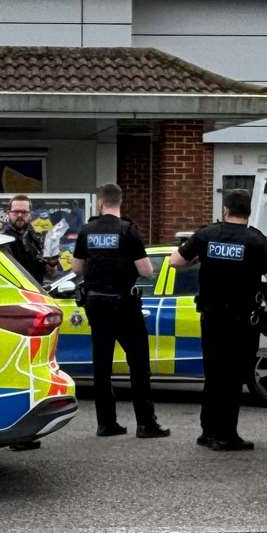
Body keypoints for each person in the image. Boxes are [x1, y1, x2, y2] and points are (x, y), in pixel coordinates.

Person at [170, 189, 267, 451]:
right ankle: (226, 435)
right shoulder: (256, 240)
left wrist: (201, 259)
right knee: (234, 377)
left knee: (214, 374)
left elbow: (175, 261)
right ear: (247, 211)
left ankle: (208, 431)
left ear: (225, 209)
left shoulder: (206, 235)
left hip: (212, 317)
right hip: (240, 320)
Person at [72, 183, 168, 439]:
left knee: (101, 366)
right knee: (138, 365)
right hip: (124, 305)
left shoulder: (87, 230)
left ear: (100, 203)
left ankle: (106, 423)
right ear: (119, 202)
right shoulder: (128, 230)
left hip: (96, 305)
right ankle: (146, 424)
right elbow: (147, 270)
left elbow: (76, 268)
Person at [0, 195, 49, 282]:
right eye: (16, 212)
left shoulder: (37, 239)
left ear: (30, 214)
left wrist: (52, 262)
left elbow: (49, 275)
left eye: (24, 212)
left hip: (35, 293)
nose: (20, 215)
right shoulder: (0, 239)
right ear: (9, 214)